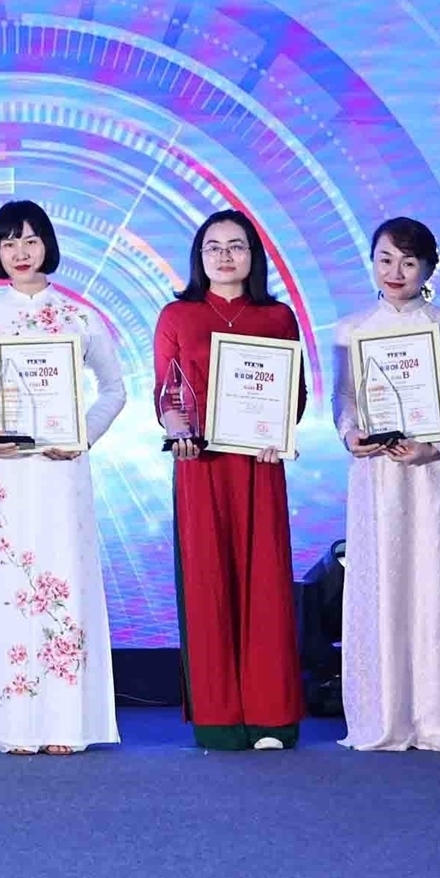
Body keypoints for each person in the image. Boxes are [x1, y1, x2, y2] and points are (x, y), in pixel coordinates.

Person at [0, 199, 126, 754]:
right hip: (1, 475)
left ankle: (64, 722)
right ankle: (11, 723)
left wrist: (82, 436)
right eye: (8, 242)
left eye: (30, 239)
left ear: (48, 243)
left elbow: (114, 390)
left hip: (59, 472)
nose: (20, 252)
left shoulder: (79, 317)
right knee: (3, 588)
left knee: (61, 582)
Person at [153, 209, 308, 750]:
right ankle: (219, 719)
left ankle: (271, 716)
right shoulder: (177, 315)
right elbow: (167, 393)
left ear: (253, 255)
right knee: (208, 585)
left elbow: (294, 394)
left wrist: (277, 430)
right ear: (199, 257)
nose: (224, 256)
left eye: (236, 246)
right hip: (200, 466)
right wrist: (178, 430)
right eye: (213, 247)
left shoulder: (277, 317)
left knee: (266, 583)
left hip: (259, 465)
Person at [329, 217, 440, 752]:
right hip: (375, 473)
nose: (396, 271)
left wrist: (436, 447)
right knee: (380, 581)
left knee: (433, 578)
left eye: (409, 261)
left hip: (430, 471)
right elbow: (343, 397)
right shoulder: (351, 328)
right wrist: (350, 434)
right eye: (386, 259)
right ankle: (384, 714)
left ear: (429, 268)